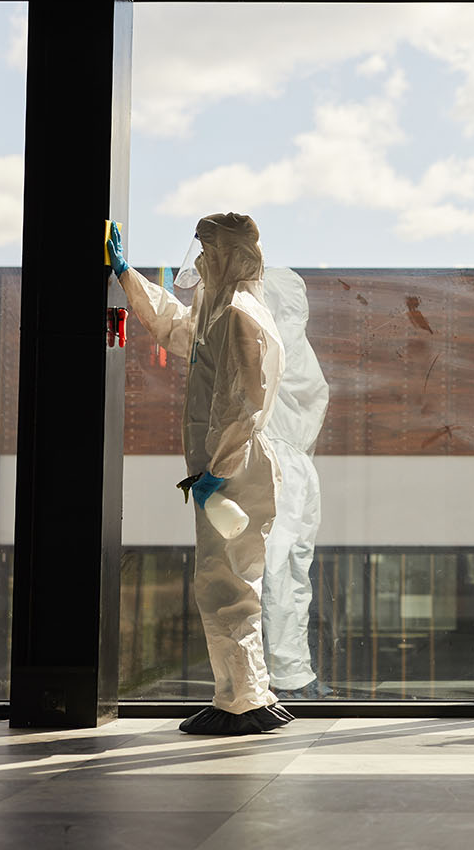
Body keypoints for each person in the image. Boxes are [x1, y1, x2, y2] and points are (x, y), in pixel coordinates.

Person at [108, 214, 294, 734]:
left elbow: (242, 402)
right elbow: (174, 324)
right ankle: (249, 693)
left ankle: (241, 703)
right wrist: (126, 274)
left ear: (227, 256)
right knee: (232, 582)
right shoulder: (219, 309)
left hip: (234, 468)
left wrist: (217, 469)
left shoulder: (238, 314)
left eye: (208, 252)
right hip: (228, 467)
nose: (200, 262)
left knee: (224, 585)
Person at [259, 266, 331, 699]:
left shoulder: (272, 345)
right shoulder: (287, 349)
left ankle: (288, 674)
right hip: (292, 465)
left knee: (283, 571)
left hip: (288, 465)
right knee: (284, 572)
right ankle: (288, 675)